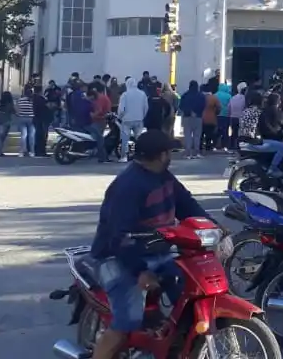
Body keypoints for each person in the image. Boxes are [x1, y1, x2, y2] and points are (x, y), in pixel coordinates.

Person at [88, 131, 208, 359]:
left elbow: (187, 206)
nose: (172, 156)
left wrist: (214, 228)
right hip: (117, 257)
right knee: (126, 323)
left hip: (158, 251)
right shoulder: (127, 186)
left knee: (190, 293)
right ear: (161, 155)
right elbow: (118, 237)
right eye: (170, 152)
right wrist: (139, 270)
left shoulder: (165, 178)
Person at [116, 77, 148, 151]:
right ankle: (140, 153)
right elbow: (146, 107)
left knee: (125, 139)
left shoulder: (125, 95)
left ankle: (124, 156)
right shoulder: (142, 94)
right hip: (139, 119)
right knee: (139, 139)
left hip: (127, 120)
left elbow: (121, 109)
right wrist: (142, 116)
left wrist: (120, 117)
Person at [177, 80, 206, 159]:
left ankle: (188, 153)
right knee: (197, 136)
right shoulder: (201, 95)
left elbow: (181, 106)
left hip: (187, 117)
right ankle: (196, 153)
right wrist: (197, 112)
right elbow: (204, 105)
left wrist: (189, 112)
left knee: (187, 136)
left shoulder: (185, 95)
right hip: (198, 117)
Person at [90, 83, 114, 162]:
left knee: (98, 139)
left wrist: (93, 115)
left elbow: (99, 110)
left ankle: (102, 156)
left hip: (99, 120)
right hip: (101, 120)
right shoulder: (104, 97)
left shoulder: (100, 98)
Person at [13, 86, 35, 157]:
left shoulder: (20, 100)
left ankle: (22, 151)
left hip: (22, 118)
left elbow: (16, 110)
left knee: (23, 135)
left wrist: (19, 115)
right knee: (31, 136)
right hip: (31, 119)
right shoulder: (33, 101)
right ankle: (32, 151)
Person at [0, 90, 13, 157]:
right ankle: (0, 151)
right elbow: (13, 111)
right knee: (2, 137)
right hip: (6, 121)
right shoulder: (9, 104)